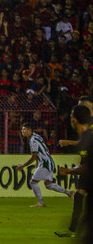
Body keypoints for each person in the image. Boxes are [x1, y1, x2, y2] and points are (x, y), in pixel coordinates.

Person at [56, 102, 91, 239]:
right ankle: (73, 230)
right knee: (79, 195)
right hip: (86, 169)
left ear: (75, 119)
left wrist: (68, 171)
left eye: (72, 115)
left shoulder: (88, 135)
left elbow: (86, 166)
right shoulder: (85, 134)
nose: (70, 118)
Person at [17, 122, 71, 208]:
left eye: (24, 129)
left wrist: (23, 166)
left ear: (29, 130)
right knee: (48, 185)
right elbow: (42, 149)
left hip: (45, 164)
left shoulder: (33, 140)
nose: (22, 131)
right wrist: (37, 162)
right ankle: (70, 193)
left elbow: (33, 156)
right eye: (22, 129)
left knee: (33, 182)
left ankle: (41, 202)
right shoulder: (36, 136)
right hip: (48, 162)